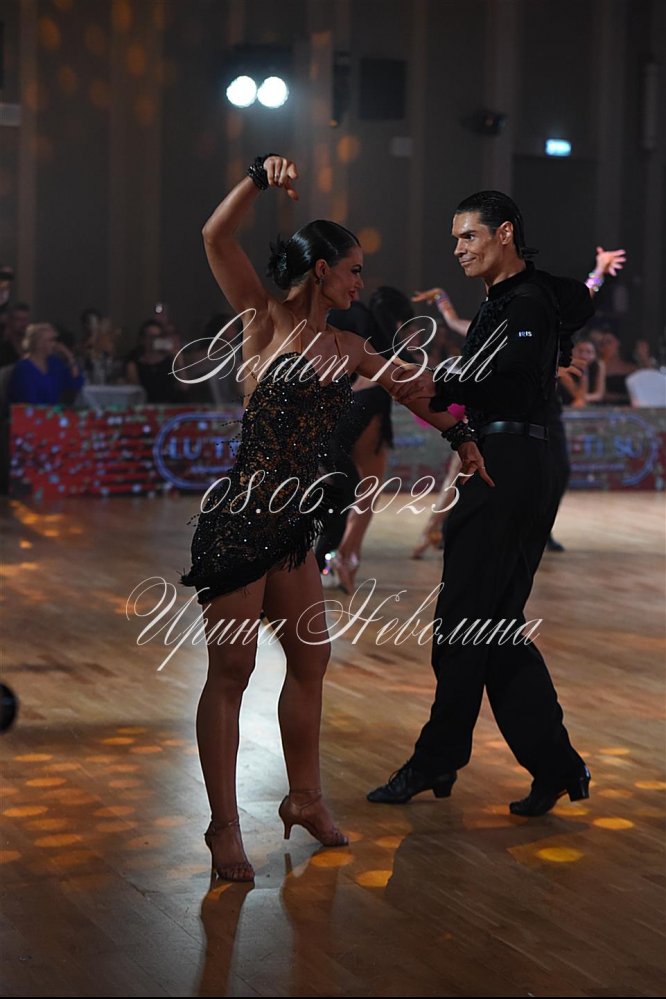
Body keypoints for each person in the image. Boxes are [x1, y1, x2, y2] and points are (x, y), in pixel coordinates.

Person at [179, 154, 492, 883]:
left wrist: (462, 435)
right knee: (232, 670)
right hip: (243, 519)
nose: (359, 282)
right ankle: (224, 828)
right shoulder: (261, 318)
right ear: (320, 270)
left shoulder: (348, 347)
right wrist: (258, 177)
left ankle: (305, 797)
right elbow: (215, 236)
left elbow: (414, 390)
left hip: (294, 527)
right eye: (352, 270)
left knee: (311, 661)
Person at [368, 189, 595, 817]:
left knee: (465, 622)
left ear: (504, 233)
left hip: (509, 467)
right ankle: (556, 766)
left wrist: (440, 380)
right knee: (492, 628)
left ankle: (438, 758)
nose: (458, 249)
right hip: (507, 460)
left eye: (468, 236)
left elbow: (513, 382)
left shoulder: (525, 302)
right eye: (456, 239)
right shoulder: (514, 300)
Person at [410, 244, 625, 556]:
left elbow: (581, 298)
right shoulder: (490, 325)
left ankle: (442, 531)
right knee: (465, 471)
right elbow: (456, 322)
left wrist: (599, 272)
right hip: (492, 409)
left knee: (480, 473)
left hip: (522, 410)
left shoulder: (534, 319)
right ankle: (437, 531)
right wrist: (442, 299)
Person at [8, 322, 84, 405]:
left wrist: (69, 356)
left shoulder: (54, 363)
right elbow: (28, 401)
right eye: (50, 340)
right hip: (32, 411)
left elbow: (76, 383)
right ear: (38, 343)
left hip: (52, 411)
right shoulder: (23, 368)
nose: (54, 344)